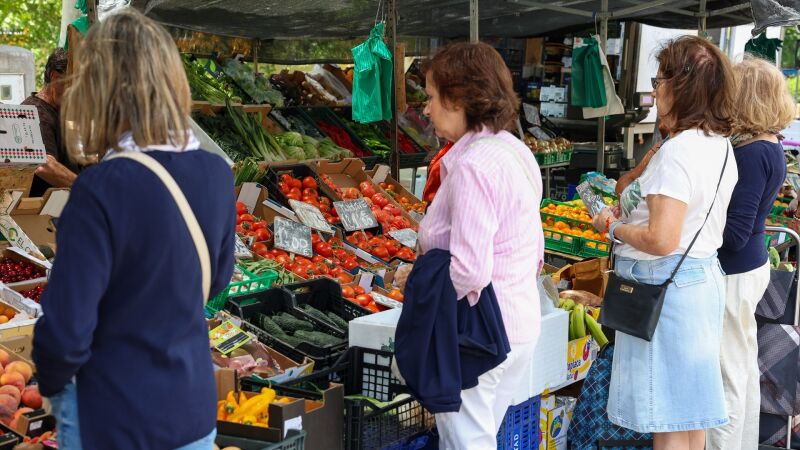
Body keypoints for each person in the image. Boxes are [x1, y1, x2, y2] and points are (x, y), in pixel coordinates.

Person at [32, 10, 235, 450]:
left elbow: (65, 332)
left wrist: (50, 384)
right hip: (193, 412)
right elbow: (217, 280)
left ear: (98, 91)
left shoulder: (100, 187)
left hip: (115, 417)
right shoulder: (216, 172)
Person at [592, 35, 738, 450]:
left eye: (658, 81)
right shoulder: (718, 145)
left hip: (666, 290)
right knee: (689, 415)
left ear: (681, 86)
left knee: (668, 418)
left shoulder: (678, 152)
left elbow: (661, 239)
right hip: (698, 282)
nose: (655, 92)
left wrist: (613, 228)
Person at [398, 42, 543, 449]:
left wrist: (422, 284)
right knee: (479, 437)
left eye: (431, 96)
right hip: (517, 322)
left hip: (478, 332)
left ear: (459, 98)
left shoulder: (474, 166)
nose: (426, 109)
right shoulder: (513, 150)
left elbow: (469, 271)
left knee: (467, 443)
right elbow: (534, 246)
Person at [707, 57, 794, 450]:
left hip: (735, 271)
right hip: (749, 267)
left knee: (725, 376)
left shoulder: (751, 153)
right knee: (740, 368)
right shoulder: (769, 145)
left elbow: (735, 233)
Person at [21, 48, 79, 197]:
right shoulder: (36, 112)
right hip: (45, 209)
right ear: (55, 77)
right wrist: (88, 189)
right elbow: (44, 165)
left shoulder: (56, 111)